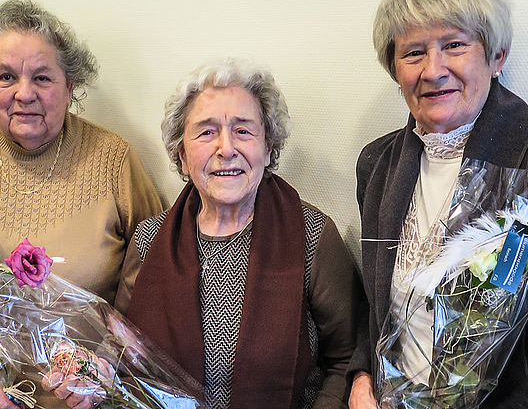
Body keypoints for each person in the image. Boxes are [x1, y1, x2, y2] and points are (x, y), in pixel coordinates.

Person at [0, 0, 162, 409]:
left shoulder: (114, 159)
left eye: (43, 77)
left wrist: (103, 364)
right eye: (6, 76)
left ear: (71, 87)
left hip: (84, 396)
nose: (23, 93)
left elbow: (155, 276)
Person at [348, 0, 528, 409]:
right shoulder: (377, 164)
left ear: (497, 56)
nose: (433, 70)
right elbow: (377, 308)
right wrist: (362, 375)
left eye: (454, 45)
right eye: (412, 53)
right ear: (395, 70)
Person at [120, 58, 361, 409]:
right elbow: (123, 353)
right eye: (206, 131)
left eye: (243, 130)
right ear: (182, 156)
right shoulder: (147, 241)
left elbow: (346, 360)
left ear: (268, 149)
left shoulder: (313, 236)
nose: (226, 148)